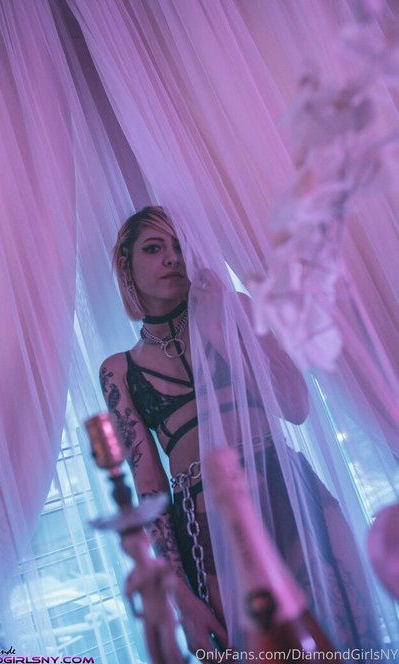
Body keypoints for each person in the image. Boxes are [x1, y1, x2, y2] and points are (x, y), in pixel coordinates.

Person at [99, 205, 380, 655]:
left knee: (351, 644)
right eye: (153, 248)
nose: (172, 257)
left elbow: (295, 406)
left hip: (290, 492)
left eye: (179, 246)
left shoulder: (238, 311)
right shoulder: (119, 371)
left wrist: (217, 331)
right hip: (206, 528)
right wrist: (181, 596)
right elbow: (149, 486)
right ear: (126, 265)